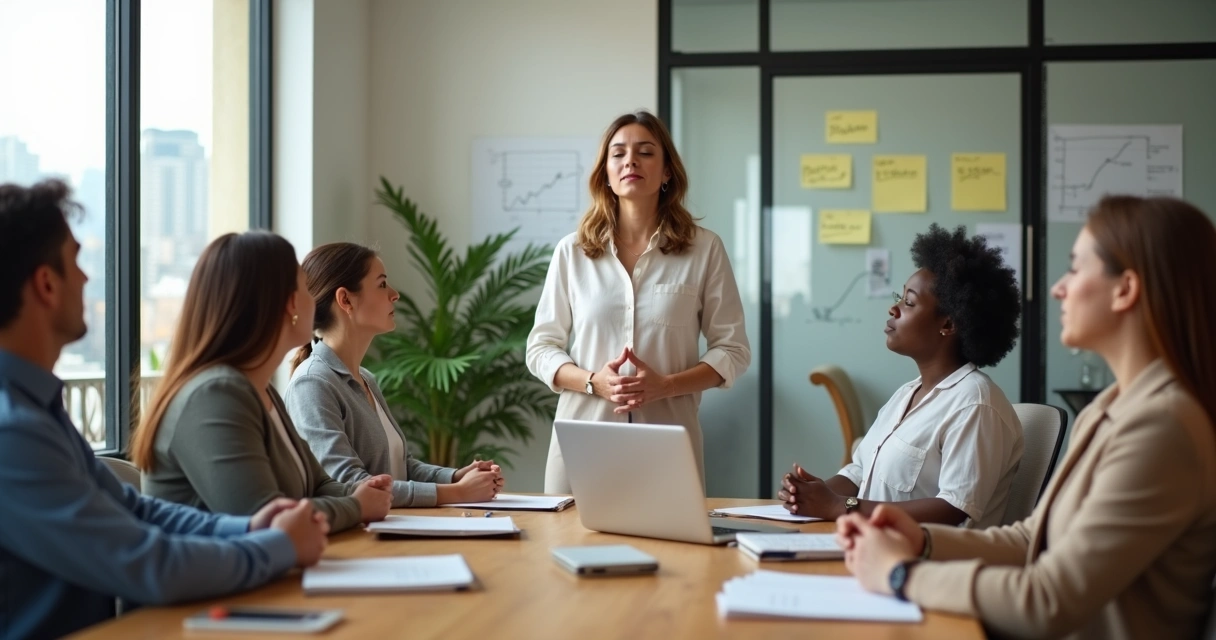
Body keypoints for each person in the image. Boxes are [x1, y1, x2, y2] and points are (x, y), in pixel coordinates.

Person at [838, 196, 1216, 639]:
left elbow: (1048, 601)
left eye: (1076, 268)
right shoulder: (1111, 407)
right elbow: (1030, 540)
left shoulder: (1162, 427)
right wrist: (922, 540)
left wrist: (901, 576)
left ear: (1125, 290)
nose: (1059, 287)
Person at [0, 180, 329, 640]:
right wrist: (275, 546)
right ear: (46, 284)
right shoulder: (12, 431)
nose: (88, 277)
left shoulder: (36, 408)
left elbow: (135, 510)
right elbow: (146, 563)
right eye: (76, 260)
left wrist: (249, 527)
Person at [526, 110, 751, 493]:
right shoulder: (572, 252)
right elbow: (540, 348)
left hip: (667, 443)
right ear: (606, 175)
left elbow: (733, 350)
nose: (630, 160)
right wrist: (593, 382)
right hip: (583, 440)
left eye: (645, 152)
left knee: (671, 552)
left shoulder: (705, 249)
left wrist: (666, 385)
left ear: (666, 172)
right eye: (618, 153)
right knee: (569, 548)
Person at [131, 231, 393, 534]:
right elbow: (265, 517)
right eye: (306, 287)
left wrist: (363, 494)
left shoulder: (261, 390)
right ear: (289, 304)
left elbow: (319, 482)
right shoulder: (214, 395)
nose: (315, 298)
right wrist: (357, 506)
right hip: (217, 580)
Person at [779, 224, 1023, 528]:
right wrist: (813, 493)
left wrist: (842, 507)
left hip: (930, 566)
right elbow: (859, 472)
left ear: (947, 324)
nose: (893, 309)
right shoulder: (907, 393)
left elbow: (953, 508)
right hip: (874, 550)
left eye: (908, 302)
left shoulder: (975, 404)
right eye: (899, 297)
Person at [284, 242, 504, 507]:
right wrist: (457, 493)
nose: (394, 294)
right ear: (345, 300)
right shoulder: (312, 384)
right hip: (362, 541)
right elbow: (349, 484)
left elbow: (402, 467)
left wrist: (457, 477)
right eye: (381, 284)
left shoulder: (365, 378)